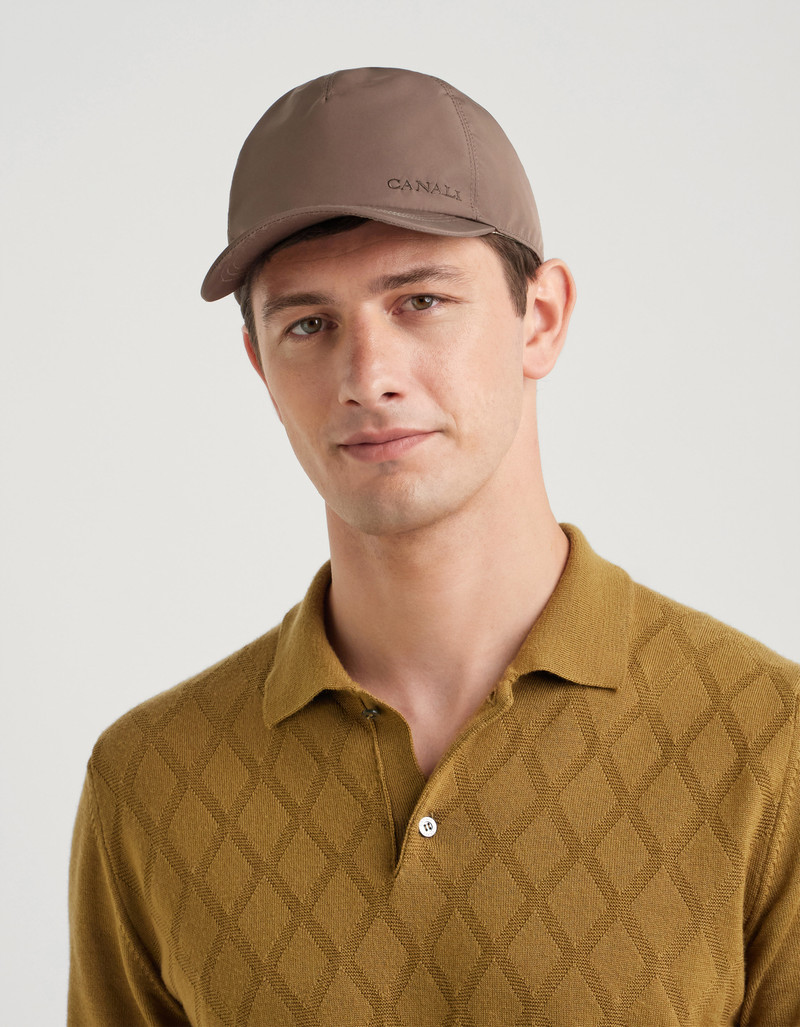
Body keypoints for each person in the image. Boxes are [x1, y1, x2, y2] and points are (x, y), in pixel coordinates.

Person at [68, 67, 800, 1026]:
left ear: (541, 318)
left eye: (419, 300)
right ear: (259, 363)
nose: (367, 375)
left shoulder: (772, 746)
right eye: (309, 324)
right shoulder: (148, 782)